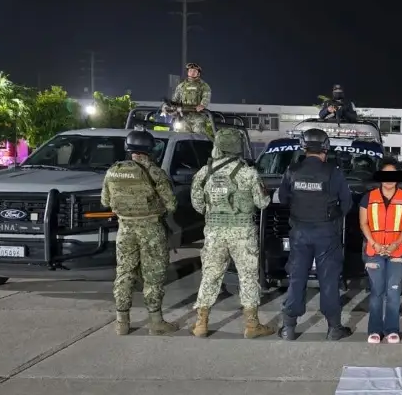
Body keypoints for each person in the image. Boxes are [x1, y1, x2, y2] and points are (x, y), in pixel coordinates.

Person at [189, 127, 274, 339]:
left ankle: (201, 324)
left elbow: (198, 205)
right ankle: (252, 326)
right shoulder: (248, 173)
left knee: (210, 275)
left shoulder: (204, 172)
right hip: (242, 231)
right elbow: (263, 203)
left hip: (214, 232)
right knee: (248, 277)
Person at [101, 130, 180, 336]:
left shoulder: (113, 172)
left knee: (125, 273)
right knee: (153, 276)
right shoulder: (155, 172)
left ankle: (122, 322)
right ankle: (156, 322)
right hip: (151, 229)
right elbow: (171, 204)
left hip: (125, 229)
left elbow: (105, 202)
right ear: (149, 149)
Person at [278, 128, 354, 340]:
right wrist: (333, 216)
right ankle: (333, 328)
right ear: (325, 147)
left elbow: (283, 198)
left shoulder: (292, 170)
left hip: (300, 233)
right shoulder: (333, 172)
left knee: (297, 278)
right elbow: (347, 203)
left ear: (304, 147)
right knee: (328, 280)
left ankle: (288, 328)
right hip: (326, 233)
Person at [359, 160, 402, 344]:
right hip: (373, 250)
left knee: (393, 291)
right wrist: (374, 243)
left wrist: (395, 244)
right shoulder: (368, 198)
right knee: (377, 291)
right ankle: (374, 330)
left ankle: (392, 329)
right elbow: (363, 223)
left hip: (397, 251)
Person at [172, 62, 212, 134]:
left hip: (198, 116)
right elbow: (175, 99)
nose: (192, 73)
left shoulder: (203, 85)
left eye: (194, 71)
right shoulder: (181, 86)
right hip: (183, 116)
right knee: (181, 136)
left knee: (199, 136)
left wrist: (202, 105)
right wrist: (171, 107)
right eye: (190, 71)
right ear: (187, 72)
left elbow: (206, 96)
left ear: (198, 73)